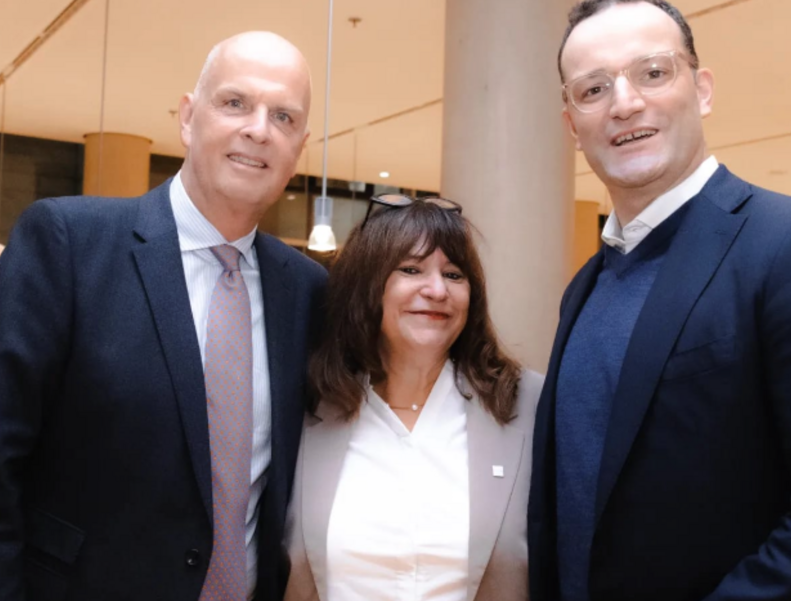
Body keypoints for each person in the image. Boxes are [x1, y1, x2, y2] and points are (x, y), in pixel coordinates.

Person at [0, 32, 326, 601]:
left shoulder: (309, 291)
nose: (259, 129)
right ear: (189, 118)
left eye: (284, 117)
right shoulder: (68, 244)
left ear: (299, 147)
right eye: (235, 103)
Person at [528, 1, 791, 601]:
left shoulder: (779, 245)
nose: (624, 104)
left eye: (652, 72)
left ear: (701, 90)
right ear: (572, 126)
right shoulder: (586, 286)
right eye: (593, 89)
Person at [283, 194, 544, 601]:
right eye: (411, 269)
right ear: (368, 287)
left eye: (455, 275)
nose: (437, 290)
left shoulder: (527, 405)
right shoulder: (309, 403)